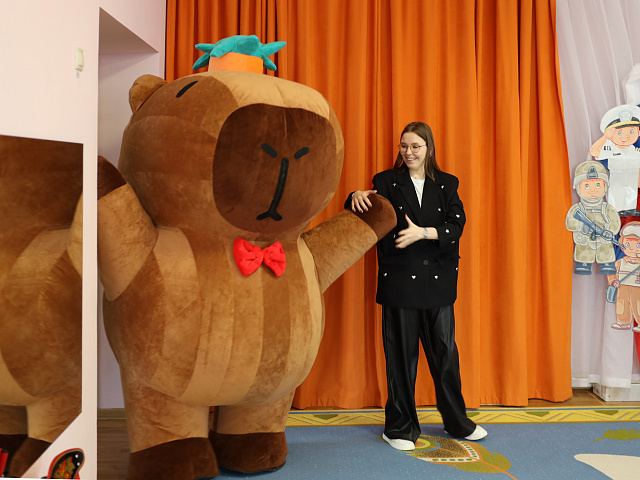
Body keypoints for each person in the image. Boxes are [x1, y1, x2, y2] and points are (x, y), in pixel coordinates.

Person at [346, 121, 486, 451]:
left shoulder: (447, 184)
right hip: (399, 283)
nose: (408, 152)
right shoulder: (386, 182)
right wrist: (353, 197)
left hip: (438, 283)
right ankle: (399, 428)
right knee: (401, 358)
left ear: (429, 149)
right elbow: (364, 212)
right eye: (404, 146)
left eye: (415, 147)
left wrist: (422, 233)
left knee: (445, 355)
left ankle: (457, 422)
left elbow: (457, 225)